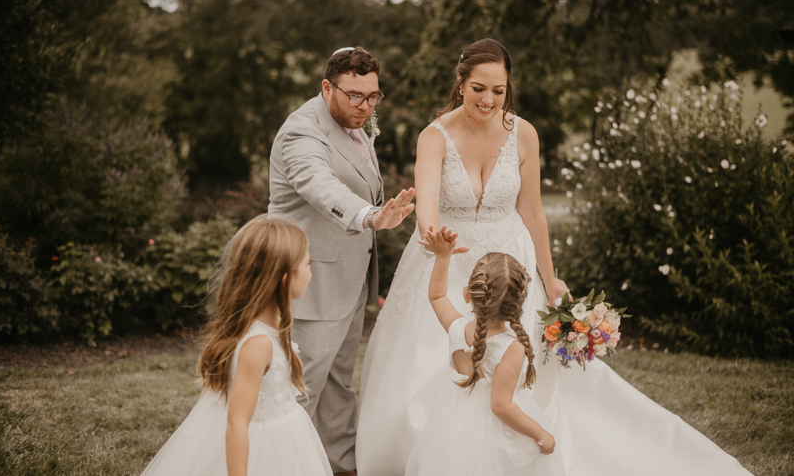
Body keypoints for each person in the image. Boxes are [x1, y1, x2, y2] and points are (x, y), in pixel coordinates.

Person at [357, 38, 753, 476]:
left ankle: (518, 441)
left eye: (499, 90)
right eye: (478, 89)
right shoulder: (434, 137)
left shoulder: (523, 133)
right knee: (430, 360)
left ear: (508, 89)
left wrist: (551, 278)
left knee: (521, 363)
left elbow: (532, 210)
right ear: (460, 83)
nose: (488, 100)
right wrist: (435, 239)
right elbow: (427, 199)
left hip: (511, 262)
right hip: (447, 256)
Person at [267, 46, 415, 475]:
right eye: (354, 96)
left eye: (373, 97)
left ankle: (338, 464)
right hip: (310, 282)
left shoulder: (354, 124)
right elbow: (320, 185)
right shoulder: (301, 132)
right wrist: (371, 216)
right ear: (327, 87)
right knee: (301, 386)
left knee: (337, 383)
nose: (364, 107)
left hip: (348, 279)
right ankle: (285, 466)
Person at [141, 216, 332, 476]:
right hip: (259, 442)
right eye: (308, 264)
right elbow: (237, 424)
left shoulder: (274, 321)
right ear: (286, 278)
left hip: (285, 430)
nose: (312, 272)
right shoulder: (257, 345)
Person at [405, 225, 566, 476]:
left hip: (454, 423)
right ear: (520, 303)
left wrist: (443, 256)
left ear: (468, 295)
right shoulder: (512, 347)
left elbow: (437, 296)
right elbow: (501, 406)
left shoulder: (457, 328)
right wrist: (539, 434)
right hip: (494, 435)